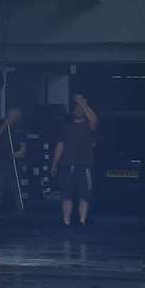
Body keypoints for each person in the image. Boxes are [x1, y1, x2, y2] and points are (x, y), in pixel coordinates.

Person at [50, 93, 99, 228]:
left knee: (85, 195)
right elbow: (60, 147)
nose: (77, 110)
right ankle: (66, 222)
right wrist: (54, 164)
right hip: (67, 165)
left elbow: (94, 120)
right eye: (76, 108)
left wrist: (82, 103)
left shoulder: (90, 126)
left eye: (80, 109)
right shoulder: (65, 127)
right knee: (66, 195)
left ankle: (82, 222)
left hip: (85, 166)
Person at [0, 106, 26, 221]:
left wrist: (15, 155)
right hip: (0, 162)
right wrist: (4, 126)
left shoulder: (20, 129)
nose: (16, 117)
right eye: (14, 114)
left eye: (17, 115)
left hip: (13, 162)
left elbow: (23, 149)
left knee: (17, 189)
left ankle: (21, 212)